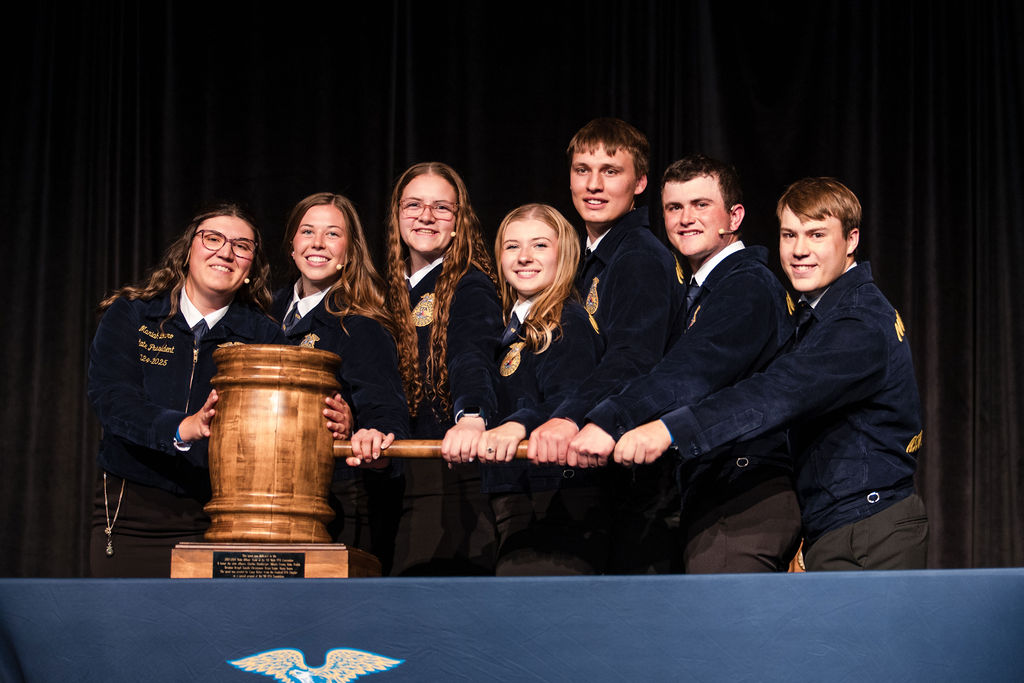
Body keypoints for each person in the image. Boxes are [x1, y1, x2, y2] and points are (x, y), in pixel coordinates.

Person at [610, 177, 929, 571]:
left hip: (865, 527)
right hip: (840, 524)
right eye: (788, 235)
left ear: (851, 241)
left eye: (816, 235)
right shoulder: (818, 314)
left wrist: (670, 429)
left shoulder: (856, 324)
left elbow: (773, 395)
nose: (799, 250)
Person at [572, 154, 802, 573]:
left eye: (700, 205)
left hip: (744, 496)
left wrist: (608, 419)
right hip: (712, 492)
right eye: (674, 208)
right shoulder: (701, 290)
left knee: (723, 635)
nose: (685, 218)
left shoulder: (746, 286)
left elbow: (692, 373)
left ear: (734, 216)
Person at [87, 202, 287, 577]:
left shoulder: (266, 337)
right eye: (213, 238)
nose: (225, 252)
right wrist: (182, 427)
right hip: (132, 517)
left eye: (242, 246)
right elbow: (112, 400)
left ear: (250, 268)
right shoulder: (133, 314)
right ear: (187, 251)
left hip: (222, 521)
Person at [529, 118, 685, 573]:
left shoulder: (638, 256)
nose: (593, 185)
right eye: (582, 170)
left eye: (610, 171)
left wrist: (566, 417)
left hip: (634, 487)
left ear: (639, 183)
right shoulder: (581, 259)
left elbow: (633, 360)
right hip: (592, 478)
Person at [451, 204, 606, 575]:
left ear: (564, 254)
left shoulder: (567, 322)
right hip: (512, 496)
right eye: (511, 246)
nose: (523, 257)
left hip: (555, 500)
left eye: (539, 246)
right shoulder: (511, 327)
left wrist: (518, 424)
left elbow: (571, 401)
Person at [272, 192, 413, 573]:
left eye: (332, 234)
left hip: (336, 503)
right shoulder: (260, 316)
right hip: (265, 501)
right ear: (292, 246)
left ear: (350, 253)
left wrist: (364, 431)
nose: (318, 243)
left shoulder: (359, 324)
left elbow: (387, 411)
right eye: (308, 232)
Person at [381, 162, 502, 575]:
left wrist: (471, 416)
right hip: (391, 478)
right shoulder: (386, 290)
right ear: (397, 215)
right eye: (413, 205)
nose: (426, 216)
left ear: (459, 222)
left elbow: (471, 358)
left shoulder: (470, 285)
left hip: (449, 480)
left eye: (441, 208)